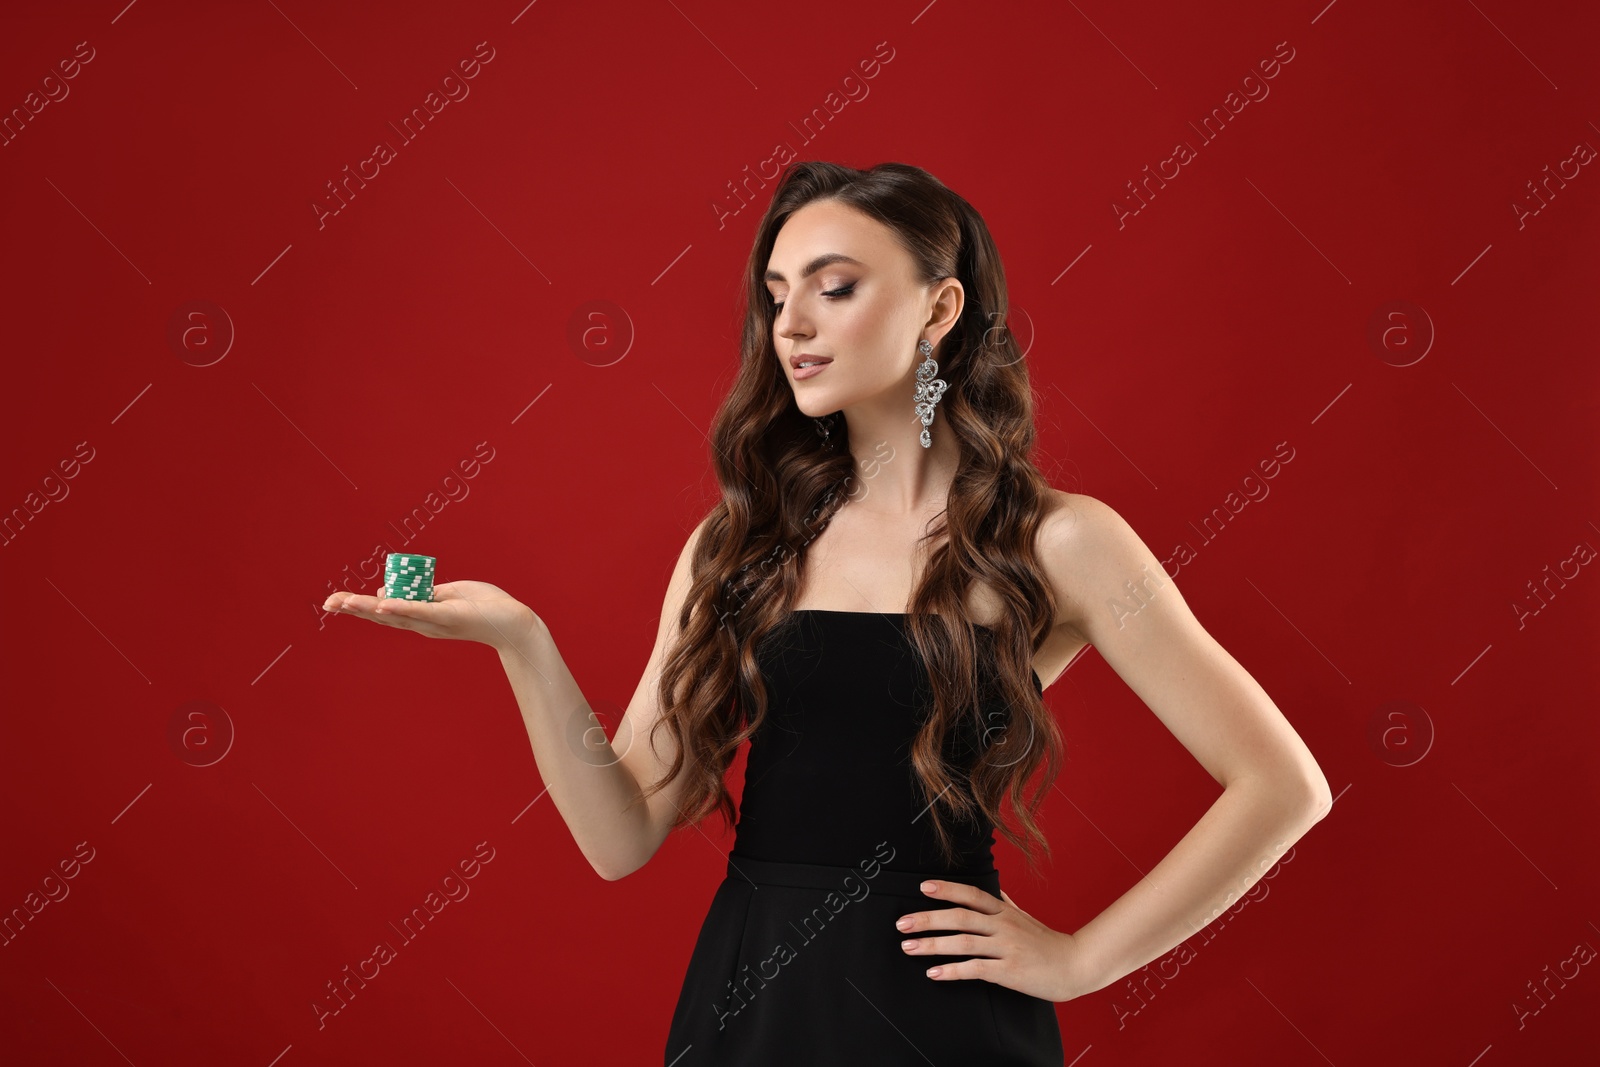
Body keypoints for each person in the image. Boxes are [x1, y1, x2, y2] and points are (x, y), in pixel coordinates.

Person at [323, 160, 1333, 1065]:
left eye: (833, 286)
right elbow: (620, 834)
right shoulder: (738, 545)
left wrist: (1079, 959)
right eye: (774, 295)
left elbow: (1282, 784)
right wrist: (523, 642)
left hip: (944, 1019)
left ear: (939, 308)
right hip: (750, 1003)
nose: (790, 324)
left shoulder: (1059, 541)